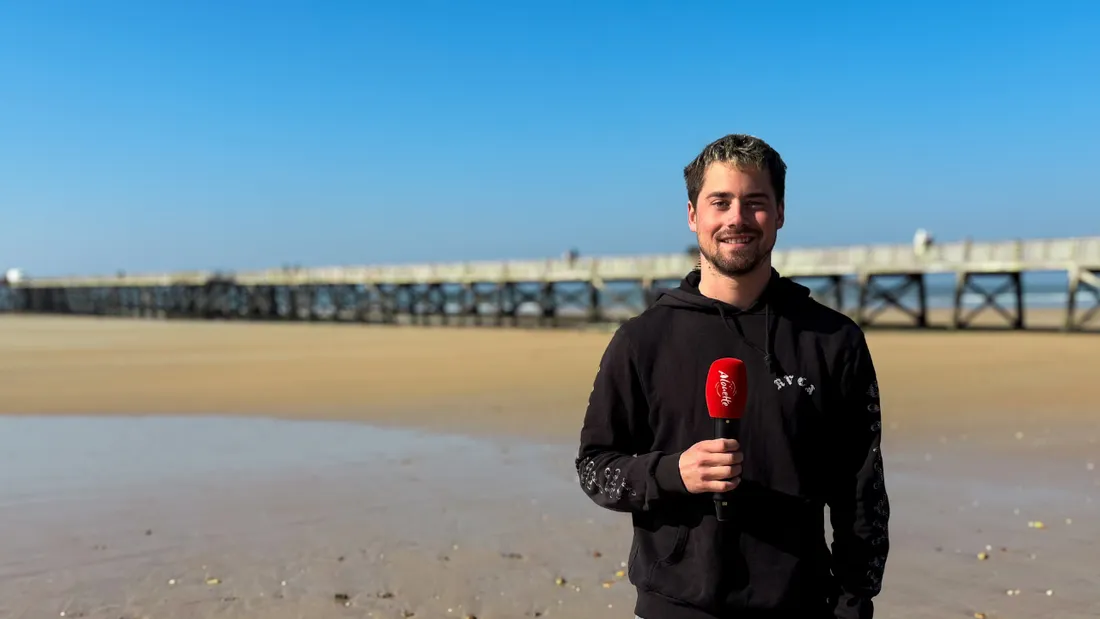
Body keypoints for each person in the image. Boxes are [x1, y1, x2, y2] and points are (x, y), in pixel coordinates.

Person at [575, 134, 889, 619]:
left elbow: (861, 490)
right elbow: (595, 468)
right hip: (676, 603)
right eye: (719, 202)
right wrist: (671, 473)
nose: (736, 219)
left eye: (755, 203)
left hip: (801, 602)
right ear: (692, 215)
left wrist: (856, 601)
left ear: (780, 213)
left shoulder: (833, 340)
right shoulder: (643, 340)